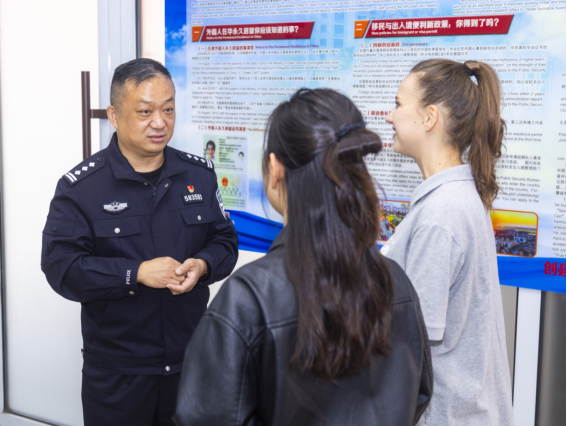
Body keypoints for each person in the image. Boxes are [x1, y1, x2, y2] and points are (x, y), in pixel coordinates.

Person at [174, 88, 432, 426]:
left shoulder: (249, 297)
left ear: (275, 168)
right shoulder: (395, 280)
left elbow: (205, 417)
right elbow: (419, 394)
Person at [41, 58, 239, 425]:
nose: (160, 122)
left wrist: (203, 265)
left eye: (168, 109)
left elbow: (225, 240)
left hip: (190, 365)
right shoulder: (81, 188)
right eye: (146, 111)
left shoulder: (199, 174)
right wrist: (136, 274)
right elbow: (61, 267)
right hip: (119, 375)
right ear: (114, 116)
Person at [381, 59, 514, 425]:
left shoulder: (441, 215)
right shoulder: (455, 197)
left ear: (429, 117)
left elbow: (411, 342)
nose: (389, 116)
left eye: (398, 104)